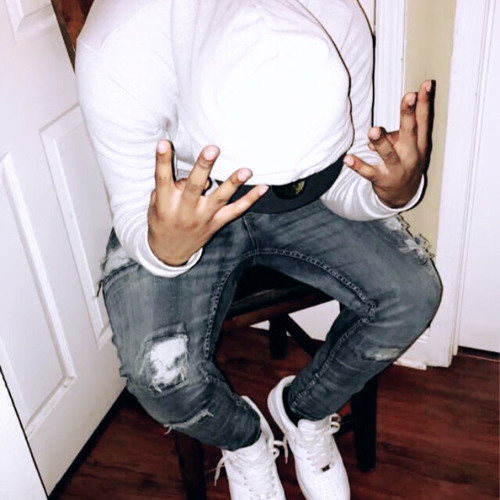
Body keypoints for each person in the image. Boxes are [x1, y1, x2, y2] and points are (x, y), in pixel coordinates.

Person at [76, 0, 442, 498]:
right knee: (161, 377)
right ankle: (245, 439)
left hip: (312, 194)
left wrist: (392, 191)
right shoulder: (118, 52)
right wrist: (166, 248)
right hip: (183, 198)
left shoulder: (336, 18)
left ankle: (302, 411)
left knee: (412, 294)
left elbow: (344, 168)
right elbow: (132, 206)